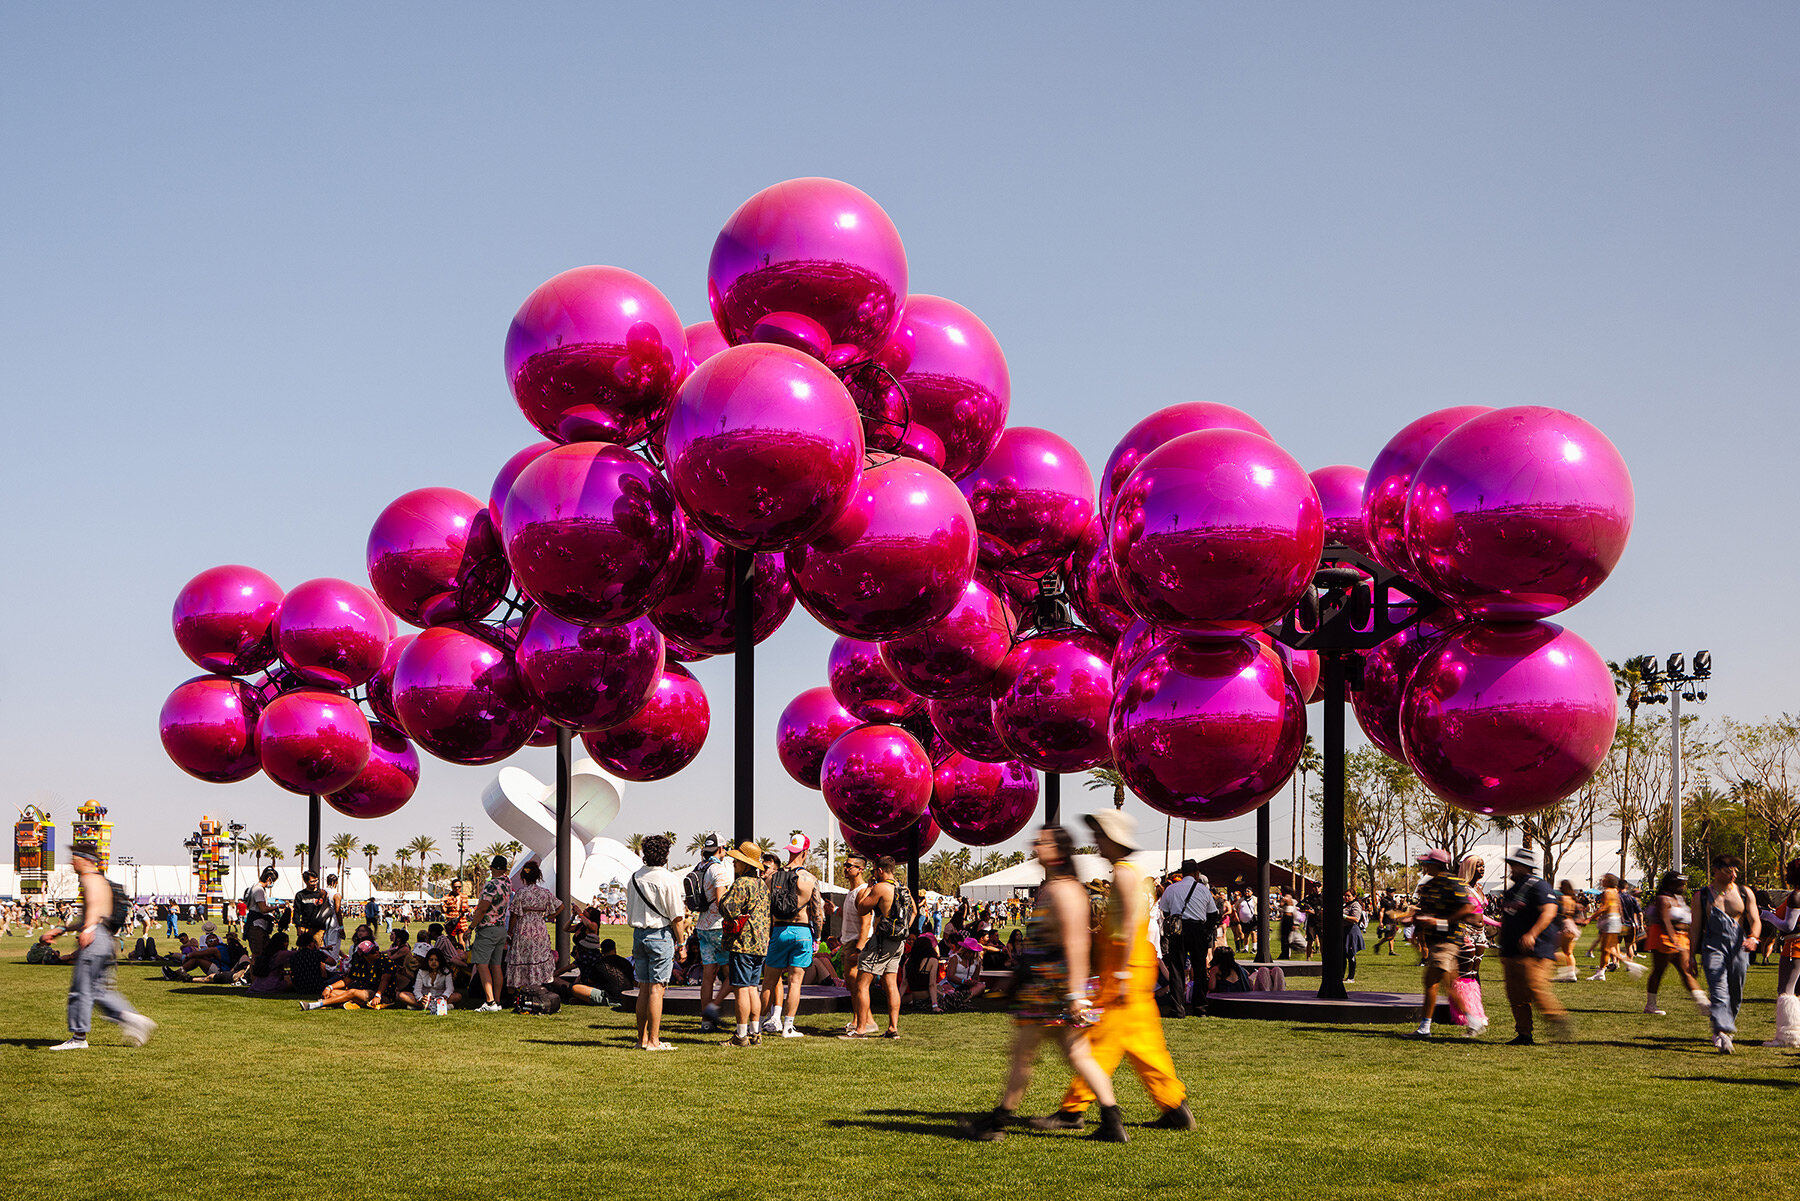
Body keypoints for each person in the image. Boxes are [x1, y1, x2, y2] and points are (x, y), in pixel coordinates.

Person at [958, 825, 1128, 1144]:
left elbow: (1076, 944)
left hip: (1051, 989)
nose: (1036, 845)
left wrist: (1076, 995)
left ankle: (997, 1122)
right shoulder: (1054, 888)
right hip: (1049, 986)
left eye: (1043, 842)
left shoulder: (1064, 891)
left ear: (1059, 851)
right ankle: (1111, 1120)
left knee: (1023, 1055)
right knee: (1077, 1055)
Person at [1032, 811, 1190, 1134]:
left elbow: (1129, 927)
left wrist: (1120, 976)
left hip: (1123, 968)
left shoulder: (1124, 874)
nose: (1096, 842)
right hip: (1134, 970)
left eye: (1100, 836)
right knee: (1146, 1044)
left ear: (1114, 840)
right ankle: (1175, 1105)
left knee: (1098, 1041)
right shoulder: (1134, 872)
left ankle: (1073, 1110)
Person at [48, 846, 155, 1050]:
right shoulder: (101, 880)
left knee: (81, 989)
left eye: (74, 858)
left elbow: (94, 905)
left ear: (85, 859)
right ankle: (132, 1018)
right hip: (105, 938)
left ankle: (79, 1038)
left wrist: (88, 928)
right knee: (99, 990)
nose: (72, 862)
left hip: (95, 937)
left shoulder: (90, 879)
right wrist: (61, 929)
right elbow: (96, 912)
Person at [1495, 848, 1570, 1045]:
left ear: (1525, 867)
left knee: (1536, 987)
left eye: (1514, 865)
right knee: (1515, 995)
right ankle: (1524, 1034)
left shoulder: (1539, 886)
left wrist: (1532, 934)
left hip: (1535, 950)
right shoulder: (1512, 889)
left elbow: (1549, 911)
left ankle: (1558, 1020)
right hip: (1512, 951)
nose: (1511, 868)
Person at [1405, 848, 1480, 1039]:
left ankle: (1424, 1028)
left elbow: (1468, 907)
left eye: (1427, 863)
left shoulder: (1452, 882)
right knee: (1449, 986)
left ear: (1437, 864)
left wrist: (1442, 922)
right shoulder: (1430, 885)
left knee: (1430, 982)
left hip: (1448, 941)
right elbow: (1423, 910)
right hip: (1435, 941)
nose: (1424, 866)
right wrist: (1415, 924)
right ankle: (1474, 1020)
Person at [1693, 854, 1762, 1054]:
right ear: (1715, 870)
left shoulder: (1743, 892)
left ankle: (1726, 1025)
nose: (1733, 874)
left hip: (1739, 947)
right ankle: (1722, 1030)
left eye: (1735, 870)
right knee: (1718, 988)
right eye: (1727, 870)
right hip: (1713, 946)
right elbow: (1695, 928)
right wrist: (1690, 955)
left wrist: (1754, 938)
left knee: (1735, 990)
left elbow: (1755, 919)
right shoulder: (1702, 896)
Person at [758, 834, 821, 1039]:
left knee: (768, 982)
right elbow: (817, 913)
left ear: (789, 850)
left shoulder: (771, 877)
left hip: (778, 931)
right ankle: (788, 1027)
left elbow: (764, 909)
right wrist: (817, 937)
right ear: (805, 852)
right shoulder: (810, 880)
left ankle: (755, 1025)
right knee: (795, 983)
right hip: (802, 931)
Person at [626, 834, 683, 1051]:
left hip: (639, 934)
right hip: (660, 935)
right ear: (666, 855)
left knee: (644, 987)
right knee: (657, 990)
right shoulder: (669, 879)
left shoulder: (634, 878)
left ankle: (641, 1039)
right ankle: (654, 1040)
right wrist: (681, 943)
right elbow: (676, 916)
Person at [718, 840, 770, 1046]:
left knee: (740, 988)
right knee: (751, 988)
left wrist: (722, 896)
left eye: (737, 860)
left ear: (746, 864)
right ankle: (755, 1032)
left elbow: (728, 909)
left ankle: (740, 1035)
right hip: (760, 944)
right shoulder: (762, 885)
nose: (733, 863)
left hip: (742, 944)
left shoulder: (742, 884)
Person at [848, 856, 907, 1039]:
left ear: (880, 870)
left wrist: (869, 887)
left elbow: (861, 908)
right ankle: (893, 1028)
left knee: (862, 983)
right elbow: (911, 912)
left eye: (874, 871)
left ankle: (861, 1029)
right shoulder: (903, 889)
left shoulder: (881, 888)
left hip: (881, 941)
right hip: (898, 942)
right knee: (890, 983)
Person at [1641, 871, 1708, 1017]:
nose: (1683, 887)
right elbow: (1665, 921)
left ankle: (1704, 1004)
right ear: (1670, 884)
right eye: (1680, 884)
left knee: (1686, 972)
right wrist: (1673, 939)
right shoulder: (1662, 899)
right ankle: (1651, 1005)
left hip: (1682, 938)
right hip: (1665, 939)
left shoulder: (1679, 898)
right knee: (1660, 971)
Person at [1156, 860, 1217, 1018]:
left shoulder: (1172, 889)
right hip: (1198, 929)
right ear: (1197, 873)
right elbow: (1213, 913)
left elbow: (1166, 911)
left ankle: (1178, 1009)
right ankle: (1200, 1007)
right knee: (1200, 969)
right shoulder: (1203, 890)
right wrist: (1206, 930)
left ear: (1182, 873)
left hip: (1178, 929)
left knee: (1177, 969)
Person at [689, 834, 733, 1033]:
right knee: (733, 973)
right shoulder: (718, 869)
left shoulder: (699, 867)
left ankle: (705, 1022)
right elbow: (721, 900)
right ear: (721, 849)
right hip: (718, 927)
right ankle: (714, 1007)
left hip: (702, 926)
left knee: (708, 975)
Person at [505, 860, 565, 995]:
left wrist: (510, 932)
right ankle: (537, 990)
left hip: (523, 931)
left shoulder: (521, 893)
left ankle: (514, 993)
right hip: (540, 931)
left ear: (523, 877)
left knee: (520, 960)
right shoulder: (544, 892)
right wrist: (549, 917)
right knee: (537, 959)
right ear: (538, 876)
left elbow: (514, 915)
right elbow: (561, 906)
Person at [838, 851, 877, 1037]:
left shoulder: (862, 892)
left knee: (857, 985)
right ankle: (858, 1020)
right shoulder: (853, 892)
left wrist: (860, 948)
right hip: (849, 941)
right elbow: (850, 916)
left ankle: (867, 1021)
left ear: (860, 870)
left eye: (849, 866)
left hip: (857, 942)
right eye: (845, 865)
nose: (845, 869)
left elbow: (866, 923)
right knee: (852, 985)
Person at [466, 855, 511, 1013]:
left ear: (492, 868)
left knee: (482, 965)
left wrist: (471, 927)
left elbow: (483, 908)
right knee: (496, 966)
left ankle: (490, 1001)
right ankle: (497, 1002)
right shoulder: (507, 883)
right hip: (500, 929)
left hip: (487, 929)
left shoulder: (491, 885)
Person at [302, 939, 383, 1010]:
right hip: (361, 992)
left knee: (352, 992)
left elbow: (385, 980)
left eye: (376, 949)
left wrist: (378, 995)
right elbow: (346, 981)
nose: (377, 952)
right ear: (364, 956)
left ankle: (315, 1005)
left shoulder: (383, 962)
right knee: (332, 993)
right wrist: (329, 987)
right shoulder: (360, 965)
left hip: (376, 993)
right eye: (372, 951)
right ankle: (353, 1003)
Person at [404, 948, 461, 1013]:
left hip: (440, 998)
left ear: (440, 961)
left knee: (457, 996)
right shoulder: (421, 971)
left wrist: (443, 997)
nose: (433, 962)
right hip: (425, 998)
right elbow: (417, 990)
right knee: (402, 995)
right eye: (431, 960)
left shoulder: (446, 971)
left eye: (436, 960)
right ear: (427, 961)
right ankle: (438, 1006)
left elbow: (450, 988)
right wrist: (421, 998)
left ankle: (423, 1006)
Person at [242, 867, 277, 962]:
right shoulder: (258, 890)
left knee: (264, 952)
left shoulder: (256, 887)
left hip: (259, 925)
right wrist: (276, 907)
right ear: (269, 879)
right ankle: (254, 975)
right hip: (256, 925)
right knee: (257, 955)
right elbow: (263, 909)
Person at [292, 870, 329, 947]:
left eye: (316, 880)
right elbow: (297, 912)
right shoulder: (300, 895)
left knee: (319, 952)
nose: (315, 883)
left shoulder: (322, 893)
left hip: (319, 930)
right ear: (305, 881)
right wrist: (298, 927)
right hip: (305, 928)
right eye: (312, 881)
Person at [1342, 889, 1366, 983]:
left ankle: (1351, 977)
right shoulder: (1344, 905)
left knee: (1350, 954)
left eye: (1349, 896)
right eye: (1345, 896)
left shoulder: (1355, 905)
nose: (1346, 898)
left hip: (1352, 932)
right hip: (1344, 931)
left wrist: (1343, 916)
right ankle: (1341, 976)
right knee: (1343, 954)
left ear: (1354, 896)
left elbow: (1356, 919)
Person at [442, 877, 471, 950]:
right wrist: (443, 904)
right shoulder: (447, 897)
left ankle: (463, 956)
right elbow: (444, 910)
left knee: (462, 942)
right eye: (455, 887)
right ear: (452, 887)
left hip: (461, 921)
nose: (457, 888)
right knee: (451, 942)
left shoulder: (464, 897)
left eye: (459, 887)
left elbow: (465, 908)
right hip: (451, 922)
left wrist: (466, 910)